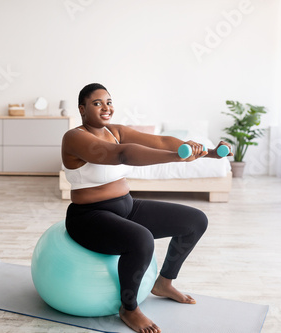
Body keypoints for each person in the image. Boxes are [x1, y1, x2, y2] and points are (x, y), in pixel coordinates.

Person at [62, 83, 232, 333]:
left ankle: (163, 283)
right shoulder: (74, 137)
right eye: (97, 103)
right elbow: (121, 155)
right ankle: (128, 309)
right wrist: (177, 157)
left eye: (109, 102)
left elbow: (161, 140)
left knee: (195, 220)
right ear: (82, 109)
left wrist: (205, 153)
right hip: (88, 217)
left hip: (127, 207)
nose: (106, 108)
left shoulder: (115, 130)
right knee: (141, 239)